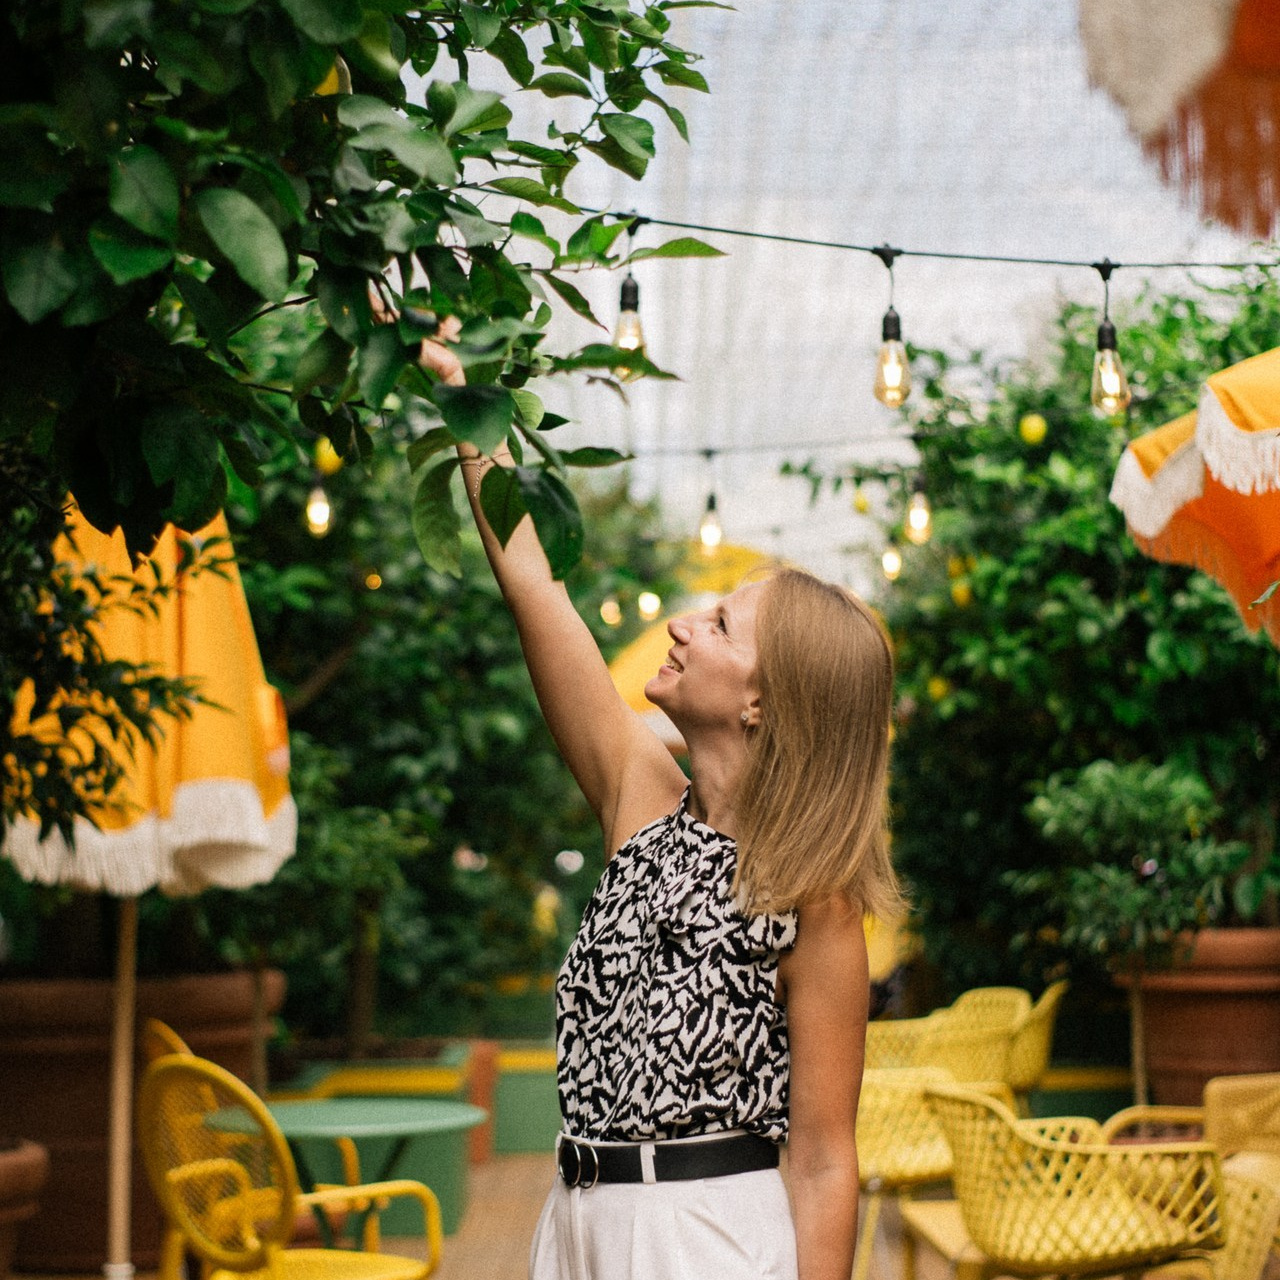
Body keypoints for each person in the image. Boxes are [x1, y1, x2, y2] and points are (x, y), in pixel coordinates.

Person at [417, 323, 902, 1280]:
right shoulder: (642, 801)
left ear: (765, 702)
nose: (681, 624)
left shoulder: (814, 900)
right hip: (576, 1219)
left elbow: (823, 1160)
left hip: (704, 1236)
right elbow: (534, 585)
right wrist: (470, 407)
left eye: (718, 624)